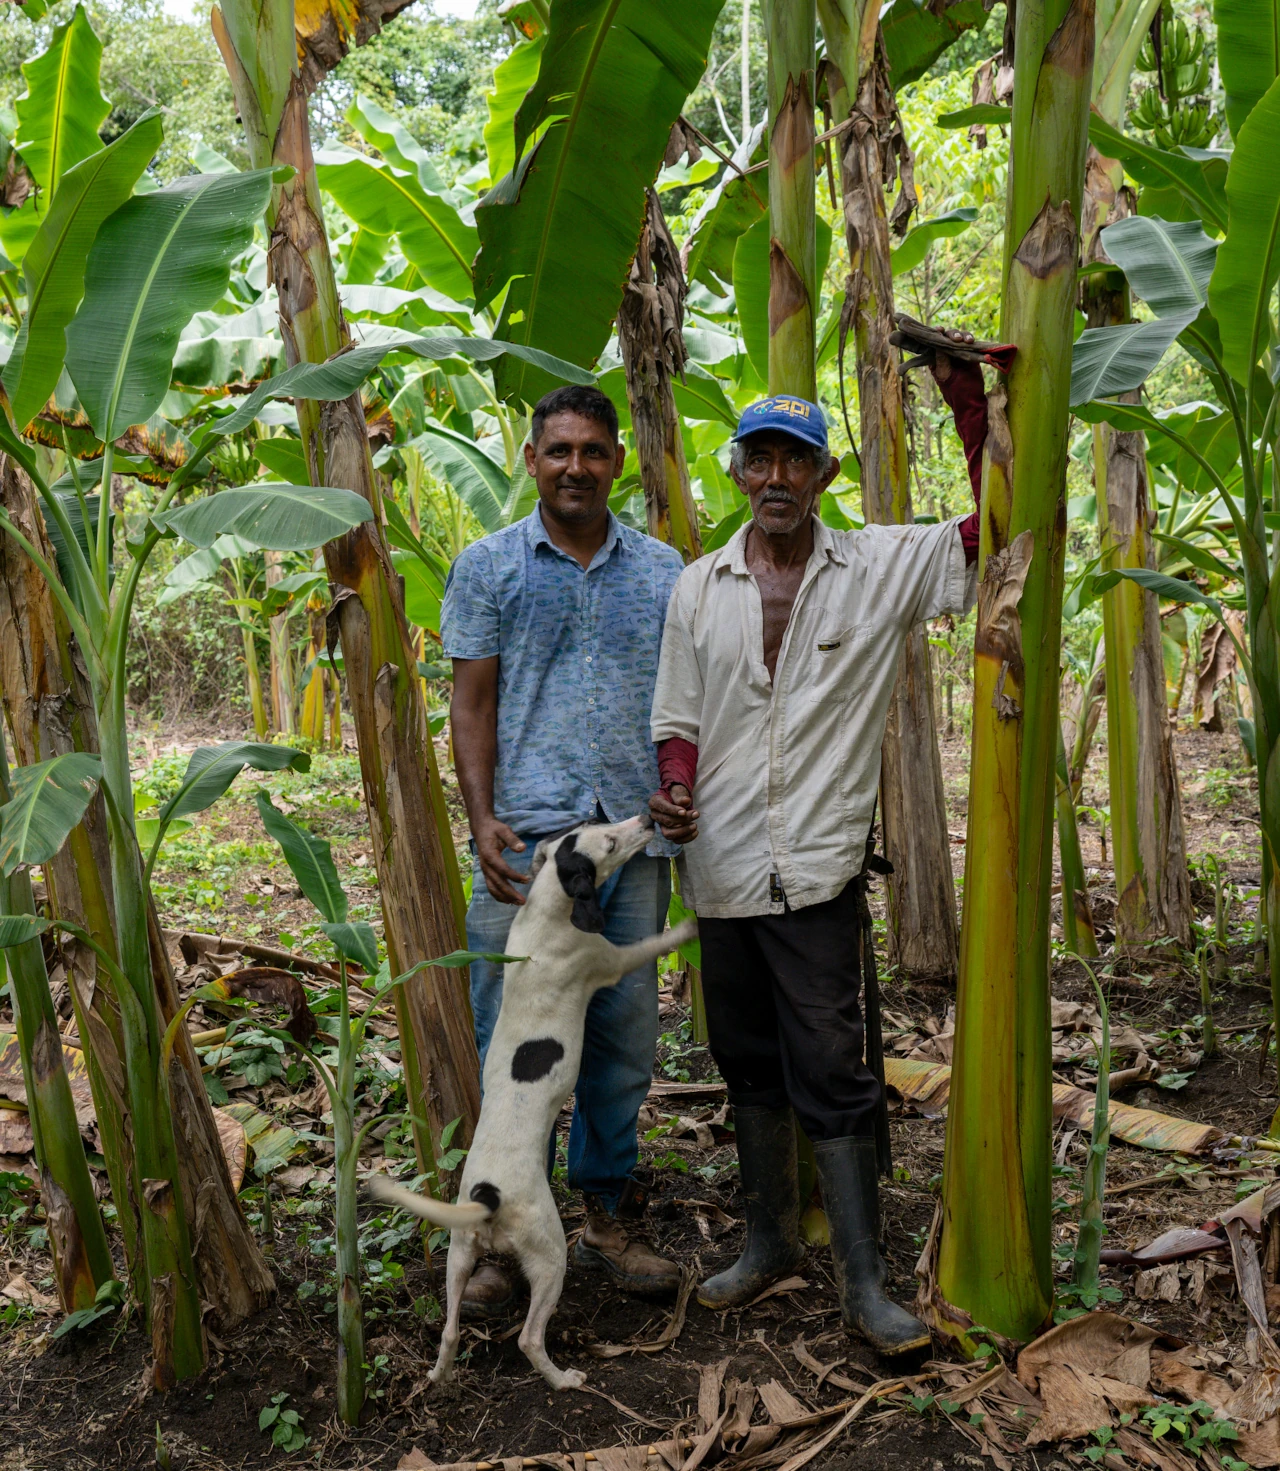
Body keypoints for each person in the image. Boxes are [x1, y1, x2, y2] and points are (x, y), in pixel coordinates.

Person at [648, 333, 990, 1356]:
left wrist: (969, 406)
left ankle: (864, 1283)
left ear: (822, 474)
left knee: (831, 1066)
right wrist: (671, 788)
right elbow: (677, 716)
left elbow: (999, 528)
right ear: (739, 472)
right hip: (717, 865)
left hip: (816, 870)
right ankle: (765, 1244)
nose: (775, 477)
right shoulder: (697, 585)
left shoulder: (878, 564)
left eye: (795, 459)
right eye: (759, 457)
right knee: (745, 1058)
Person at [441, 383, 685, 1321]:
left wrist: (675, 782)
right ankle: (498, 1223)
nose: (574, 466)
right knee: (508, 1033)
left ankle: (607, 1212)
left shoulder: (664, 571)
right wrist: (480, 815)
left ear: (617, 460)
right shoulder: (490, 565)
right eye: (557, 450)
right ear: (532, 459)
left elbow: (686, 702)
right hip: (527, 844)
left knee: (622, 1033)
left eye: (592, 450)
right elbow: (472, 704)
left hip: (628, 841)